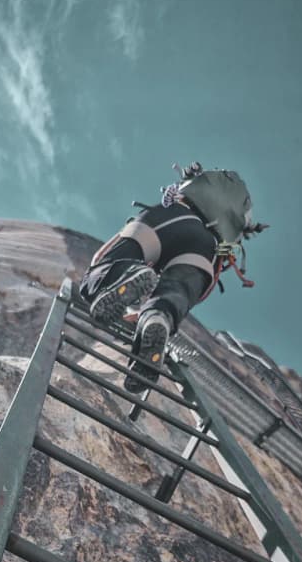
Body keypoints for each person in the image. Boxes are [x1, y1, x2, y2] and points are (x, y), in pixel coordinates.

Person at [77, 163, 265, 392]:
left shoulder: (204, 181)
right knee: (173, 295)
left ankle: (125, 273)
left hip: (173, 216)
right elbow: (195, 293)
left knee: (96, 280)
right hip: (211, 249)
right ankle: (157, 318)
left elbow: (101, 255)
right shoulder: (239, 211)